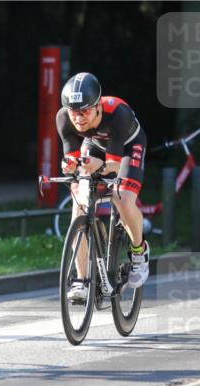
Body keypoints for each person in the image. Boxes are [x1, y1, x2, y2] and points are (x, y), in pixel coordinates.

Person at [56, 72, 149, 303]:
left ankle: (139, 251)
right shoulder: (63, 118)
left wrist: (98, 167)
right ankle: (81, 280)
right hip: (96, 146)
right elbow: (72, 156)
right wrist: (70, 165)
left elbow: (113, 167)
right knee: (79, 203)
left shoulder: (118, 113)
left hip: (127, 148)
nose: (78, 118)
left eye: (85, 111)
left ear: (98, 106)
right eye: (73, 112)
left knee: (121, 197)